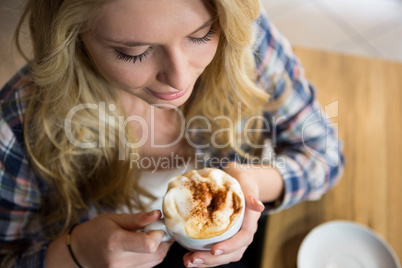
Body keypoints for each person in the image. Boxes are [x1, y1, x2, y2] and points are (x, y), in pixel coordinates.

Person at [0, 0, 344, 267]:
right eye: (133, 52)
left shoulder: (244, 39)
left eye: (201, 34)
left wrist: (255, 183)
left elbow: (325, 153)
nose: (179, 81)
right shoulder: (20, 125)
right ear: (71, 36)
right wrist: (73, 254)